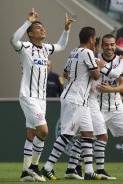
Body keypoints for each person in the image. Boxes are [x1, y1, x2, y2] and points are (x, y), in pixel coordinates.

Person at [10, 8, 74, 182]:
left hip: (41, 98)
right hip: (28, 96)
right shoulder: (25, 47)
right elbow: (13, 39)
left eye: (43, 27)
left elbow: (61, 45)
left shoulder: (46, 49)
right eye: (38, 28)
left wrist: (66, 29)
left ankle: (25, 173)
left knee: (31, 133)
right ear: (30, 34)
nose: (42, 29)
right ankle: (34, 167)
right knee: (44, 131)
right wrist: (28, 21)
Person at [41, 27, 107, 180]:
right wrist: (100, 66)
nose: (94, 42)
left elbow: (65, 73)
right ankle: (47, 167)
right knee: (67, 135)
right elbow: (96, 75)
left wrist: (79, 75)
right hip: (75, 99)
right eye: (94, 39)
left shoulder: (73, 52)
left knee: (88, 134)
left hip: (76, 97)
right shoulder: (88, 53)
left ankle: (89, 171)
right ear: (91, 39)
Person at [64, 36, 123, 180]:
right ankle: (93, 169)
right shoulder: (95, 59)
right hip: (90, 101)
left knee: (86, 136)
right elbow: (114, 74)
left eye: (112, 45)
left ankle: (72, 168)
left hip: (90, 100)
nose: (96, 49)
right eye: (100, 46)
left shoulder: (85, 57)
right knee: (93, 136)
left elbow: (66, 72)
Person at [94, 34, 123, 179]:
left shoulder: (121, 61)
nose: (109, 47)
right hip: (98, 106)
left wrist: (109, 89)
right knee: (90, 137)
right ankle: (98, 170)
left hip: (117, 106)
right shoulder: (95, 60)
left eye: (112, 44)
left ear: (115, 46)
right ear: (102, 46)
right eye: (106, 44)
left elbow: (122, 86)